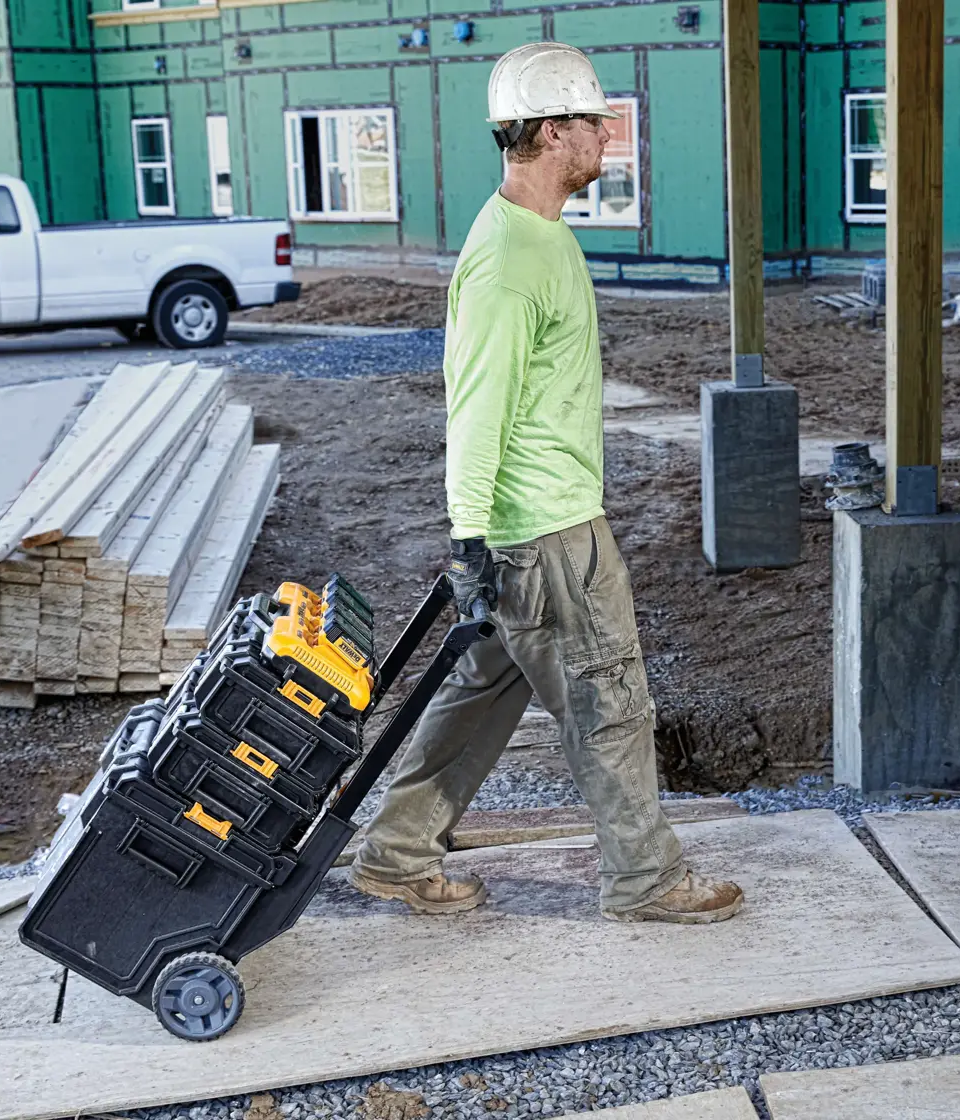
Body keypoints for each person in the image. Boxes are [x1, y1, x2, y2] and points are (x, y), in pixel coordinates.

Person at [349, 42, 744, 925]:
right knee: (610, 702)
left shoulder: (539, 235)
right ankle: (645, 880)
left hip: (529, 531)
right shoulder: (508, 264)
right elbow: (476, 410)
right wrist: (469, 539)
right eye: (596, 122)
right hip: (547, 533)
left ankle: (398, 853)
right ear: (555, 131)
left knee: (480, 695)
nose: (608, 135)